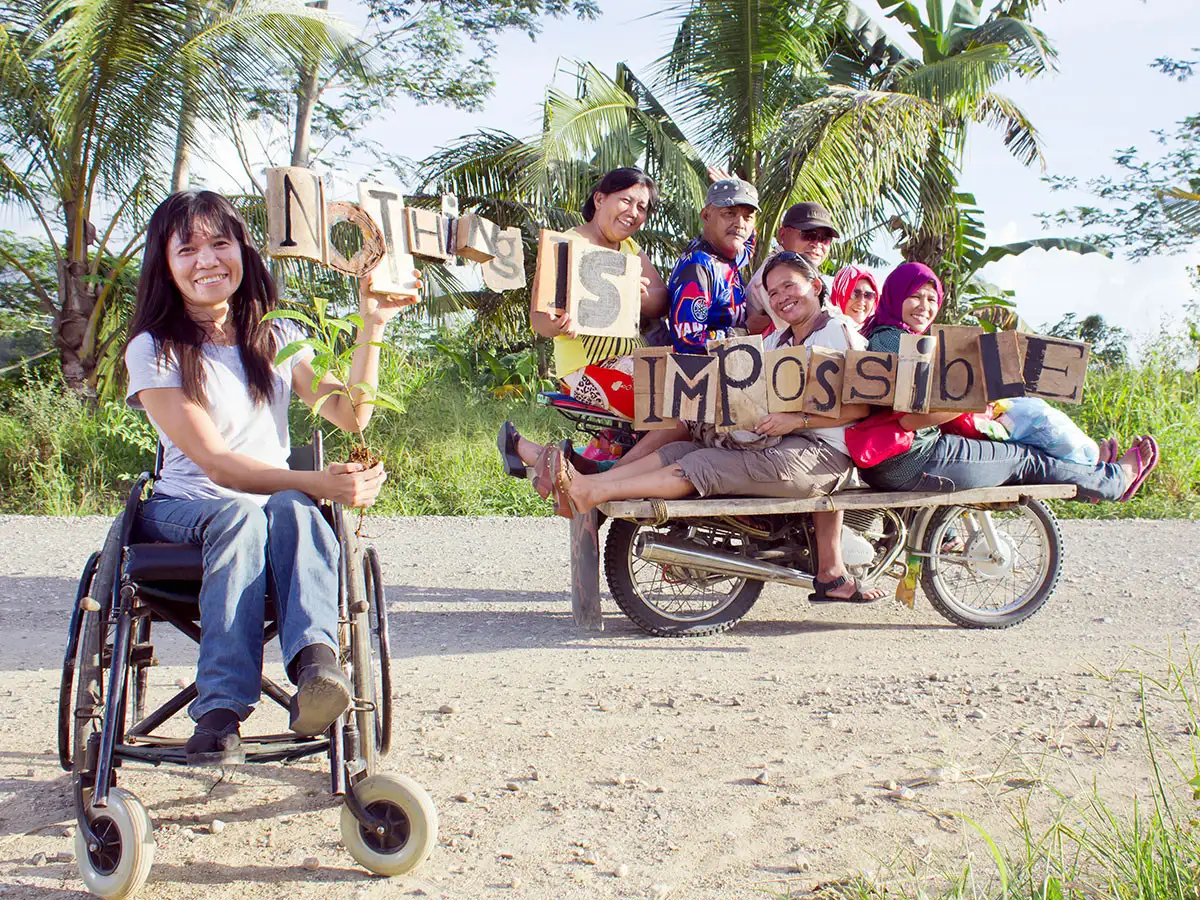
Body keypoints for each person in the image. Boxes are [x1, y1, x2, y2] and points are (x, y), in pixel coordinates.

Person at [124, 190, 420, 764]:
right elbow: (216, 465)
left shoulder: (276, 335)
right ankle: (219, 712)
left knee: (294, 508)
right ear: (165, 264)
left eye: (219, 242)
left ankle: (316, 669)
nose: (206, 259)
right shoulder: (153, 348)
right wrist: (321, 483)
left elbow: (350, 412)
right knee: (257, 507)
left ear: (243, 251)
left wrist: (372, 324)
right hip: (185, 508)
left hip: (264, 509)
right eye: (187, 249)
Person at [553, 251, 886, 603]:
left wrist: (797, 420)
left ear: (815, 285)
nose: (781, 297)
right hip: (780, 443)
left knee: (702, 465)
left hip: (820, 456)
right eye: (773, 293)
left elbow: (863, 407)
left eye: (790, 286)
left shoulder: (835, 330)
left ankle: (595, 492)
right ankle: (589, 484)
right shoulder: (780, 340)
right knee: (681, 449)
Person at [858, 262, 1158, 501]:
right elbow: (913, 419)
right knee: (1024, 459)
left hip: (900, 459)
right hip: (912, 462)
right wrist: (977, 393)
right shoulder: (896, 344)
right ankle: (1112, 481)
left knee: (1017, 443)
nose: (924, 306)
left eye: (932, 298)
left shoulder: (893, 335)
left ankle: (1085, 469)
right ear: (895, 296)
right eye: (915, 296)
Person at [529, 167, 669, 419]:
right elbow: (539, 320)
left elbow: (662, 300)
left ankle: (602, 455)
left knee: (691, 393)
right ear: (600, 199)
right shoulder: (566, 244)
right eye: (626, 200)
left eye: (642, 207)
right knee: (667, 410)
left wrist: (641, 296)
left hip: (635, 360)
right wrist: (558, 326)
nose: (633, 212)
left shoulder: (630, 248)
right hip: (585, 367)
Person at [667, 177, 758, 353]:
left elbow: (749, 243)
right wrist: (744, 331)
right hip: (701, 376)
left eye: (748, 217)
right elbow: (687, 339)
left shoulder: (730, 254)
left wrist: (737, 188)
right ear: (706, 215)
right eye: (729, 213)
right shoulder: (698, 268)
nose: (740, 224)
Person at [744, 202, 839, 335]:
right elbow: (809, 329)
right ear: (782, 235)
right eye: (808, 235)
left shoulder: (800, 271)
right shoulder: (773, 274)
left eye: (825, 239)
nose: (816, 244)